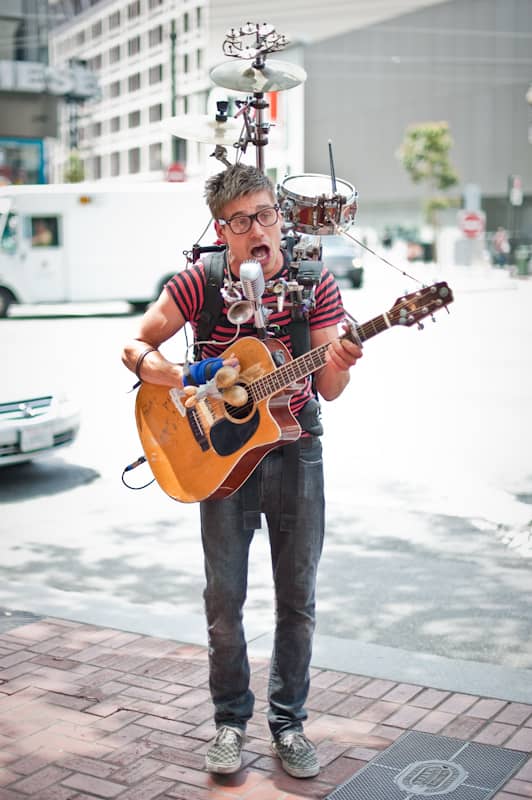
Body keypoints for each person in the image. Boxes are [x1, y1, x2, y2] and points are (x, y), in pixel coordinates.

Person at [121, 164, 362, 779]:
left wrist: (344, 358)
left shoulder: (316, 288)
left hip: (294, 448)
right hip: (221, 457)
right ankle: (230, 722)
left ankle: (289, 724)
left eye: (264, 215)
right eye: (240, 222)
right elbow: (135, 347)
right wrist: (182, 377)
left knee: (297, 599)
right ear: (222, 231)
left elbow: (328, 390)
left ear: (279, 218)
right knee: (224, 601)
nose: (257, 230)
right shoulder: (199, 284)